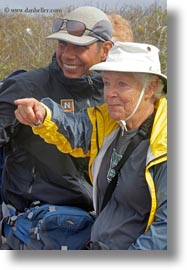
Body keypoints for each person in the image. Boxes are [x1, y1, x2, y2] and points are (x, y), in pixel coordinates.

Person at [0, 6, 134, 248]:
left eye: (79, 47)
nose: (68, 54)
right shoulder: (25, 87)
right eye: (62, 45)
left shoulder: (117, 96)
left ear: (105, 49)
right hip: (37, 227)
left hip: (100, 223)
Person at [15, 42, 167, 250]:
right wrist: (42, 115)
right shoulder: (110, 122)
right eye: (106, 83)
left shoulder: (166, 143)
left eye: (122, 84)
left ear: (151, 87)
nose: (109, 94)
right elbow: (75, 129)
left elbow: (167, 230)